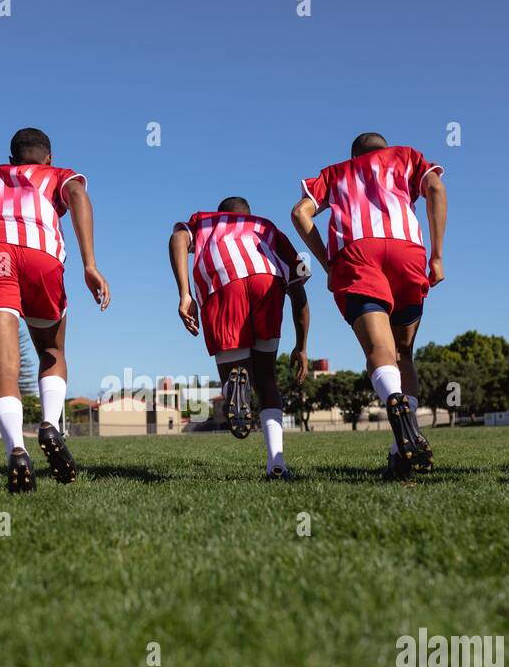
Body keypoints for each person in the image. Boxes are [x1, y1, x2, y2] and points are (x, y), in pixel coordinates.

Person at [0, 128, 110, 493]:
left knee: (3, 363)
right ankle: (50, 424)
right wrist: (90, 264)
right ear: (48, 158)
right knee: (51, 351)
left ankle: (16, 449)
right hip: (42, 256)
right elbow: (79, 195)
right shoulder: (58, 175)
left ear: (11, 159)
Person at [291, 132, 446, 478]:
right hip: (407, 249)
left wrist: (329, 262)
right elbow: (435, 189)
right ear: (385, 148)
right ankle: (400, 447)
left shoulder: (333, 173)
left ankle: (393, 399)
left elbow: (300, 213)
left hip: (357, 252)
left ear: (353, 154)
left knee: (379, 347)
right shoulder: (406, 156)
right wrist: (436, 255)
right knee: (404, 352)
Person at [168, 197, 310, 479]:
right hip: (269, 281)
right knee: (267, 378)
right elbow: (299, 291)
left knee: (235, 371)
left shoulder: (205, 220)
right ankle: (276, 463)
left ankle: (235, 387)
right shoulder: (267, 227)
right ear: (249, 214)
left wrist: (184, 293)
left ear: (223, 214)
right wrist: (301, 346)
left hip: (224, 281)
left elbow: (177, 239)